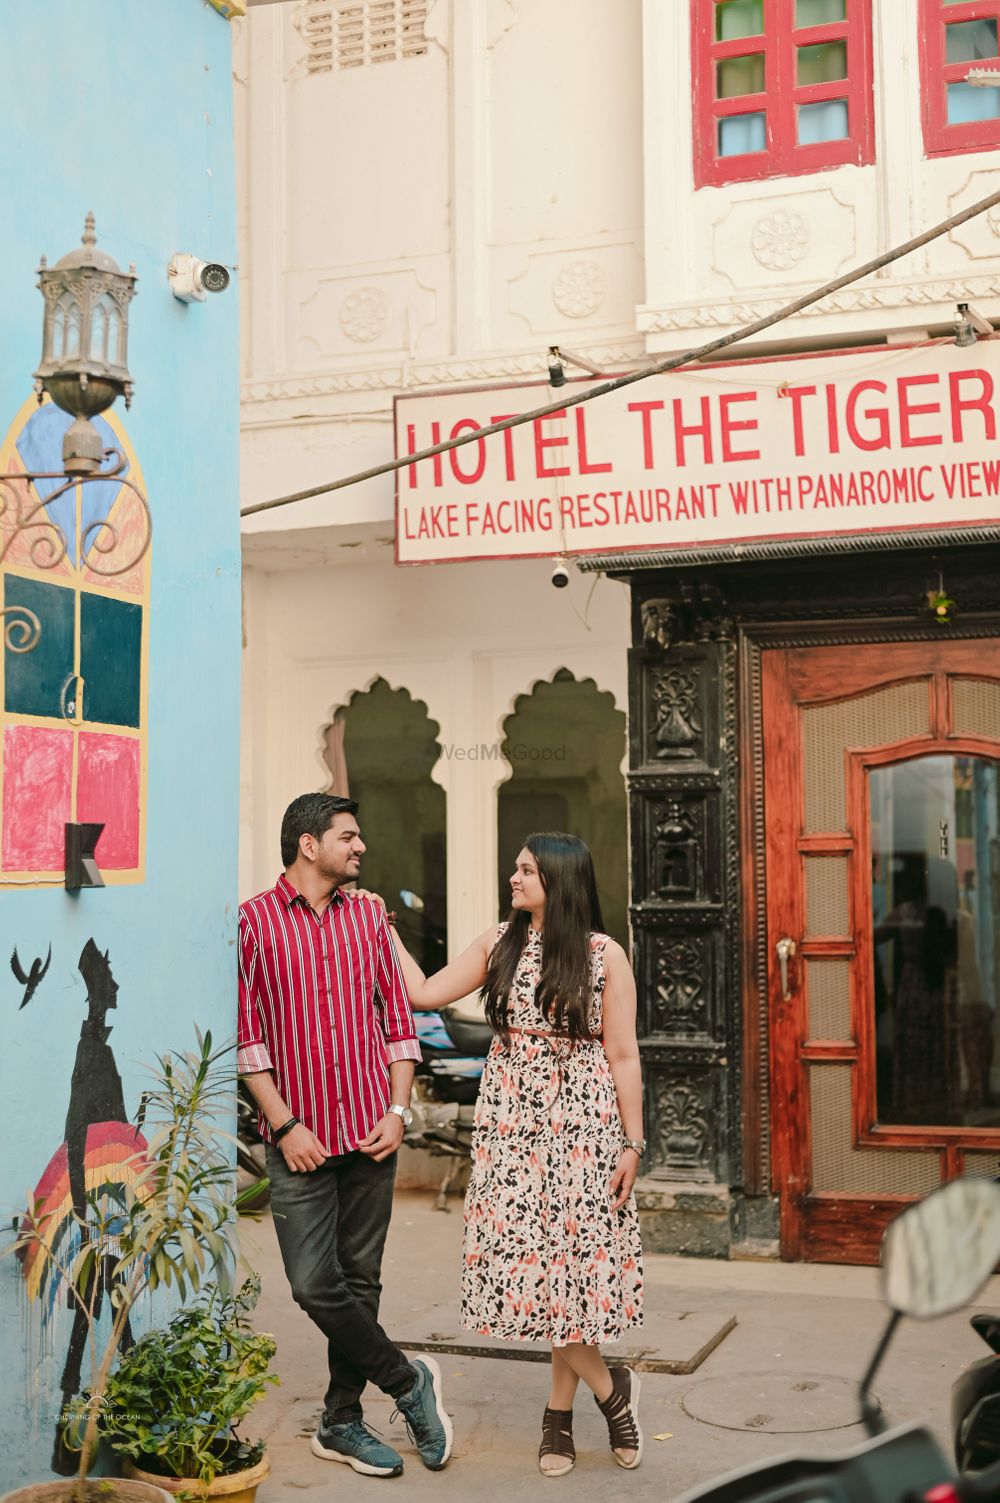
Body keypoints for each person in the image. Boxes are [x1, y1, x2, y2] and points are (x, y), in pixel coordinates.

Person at [385, 831, 644, 1477]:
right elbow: (423, 992)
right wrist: (386, 931)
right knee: (538, 1271)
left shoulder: (603, 955)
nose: (515, 876)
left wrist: (633, 1143)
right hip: (513, 1131)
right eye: (516, 868)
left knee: (571, 1276)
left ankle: (558, 1418)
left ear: (559, 879)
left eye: (527, 869)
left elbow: (623, 1054)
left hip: (585, 1128)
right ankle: (613, 1390)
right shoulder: (498, 942)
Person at [237, 792, 453, 1478]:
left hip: (370, 1130)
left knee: (360, 1279)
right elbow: (249, 1041)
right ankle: (407, 1380)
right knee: (312, 1282)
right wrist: (286, 1123)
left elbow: (399, 1024)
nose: (361, 847)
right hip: (297, 1138)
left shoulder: (369, 919)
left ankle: (340, 1419)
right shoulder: (252, 923)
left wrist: (398, 1110)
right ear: (309, 843)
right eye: (348, 836)